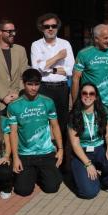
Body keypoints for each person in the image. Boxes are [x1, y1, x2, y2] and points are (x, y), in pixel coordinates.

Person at [8, 68, 64, 196]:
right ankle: (33, 173)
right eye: (30, 84)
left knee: (52, 188)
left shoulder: (48, 102)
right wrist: (15, 158)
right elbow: (13, 133)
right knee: (23, 191)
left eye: (36, 84)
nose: (34, 88)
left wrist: (60, 149)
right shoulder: (14, 106)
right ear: (24, 83)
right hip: (25, 154)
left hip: (45, 153)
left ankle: (42, 172)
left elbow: (55, 126)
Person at [30, 13, 74, 172]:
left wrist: (50, 67)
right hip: (44, 88)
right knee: (43, 123)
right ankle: (44, 161)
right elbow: (37, 69)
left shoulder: (65, 44)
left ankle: (62, 163)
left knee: (61, 124)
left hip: (61, 88)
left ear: (58, 27)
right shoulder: (36, 45)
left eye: (53, 26)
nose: (50, 29)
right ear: (41, 27)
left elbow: (70, 69)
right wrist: (57, 57)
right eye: (47, 26)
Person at [68, 83, 108, 199]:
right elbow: (75, 144)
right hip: (81, 153)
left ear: (96, 96)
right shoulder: (74, 114)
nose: (88, 96)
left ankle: (106, 181)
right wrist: (88, 164)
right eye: (84, 93)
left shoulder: (102, 111)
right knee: (89, 193)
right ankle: (84, 177)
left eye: (91, 93)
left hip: (98, 149)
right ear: (80, 95)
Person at [71, 24, 108, 115]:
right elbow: (75, 79)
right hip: (89, 101)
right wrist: (76, 103)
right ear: (96, 39)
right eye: (105, 38)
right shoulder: (83, 54)